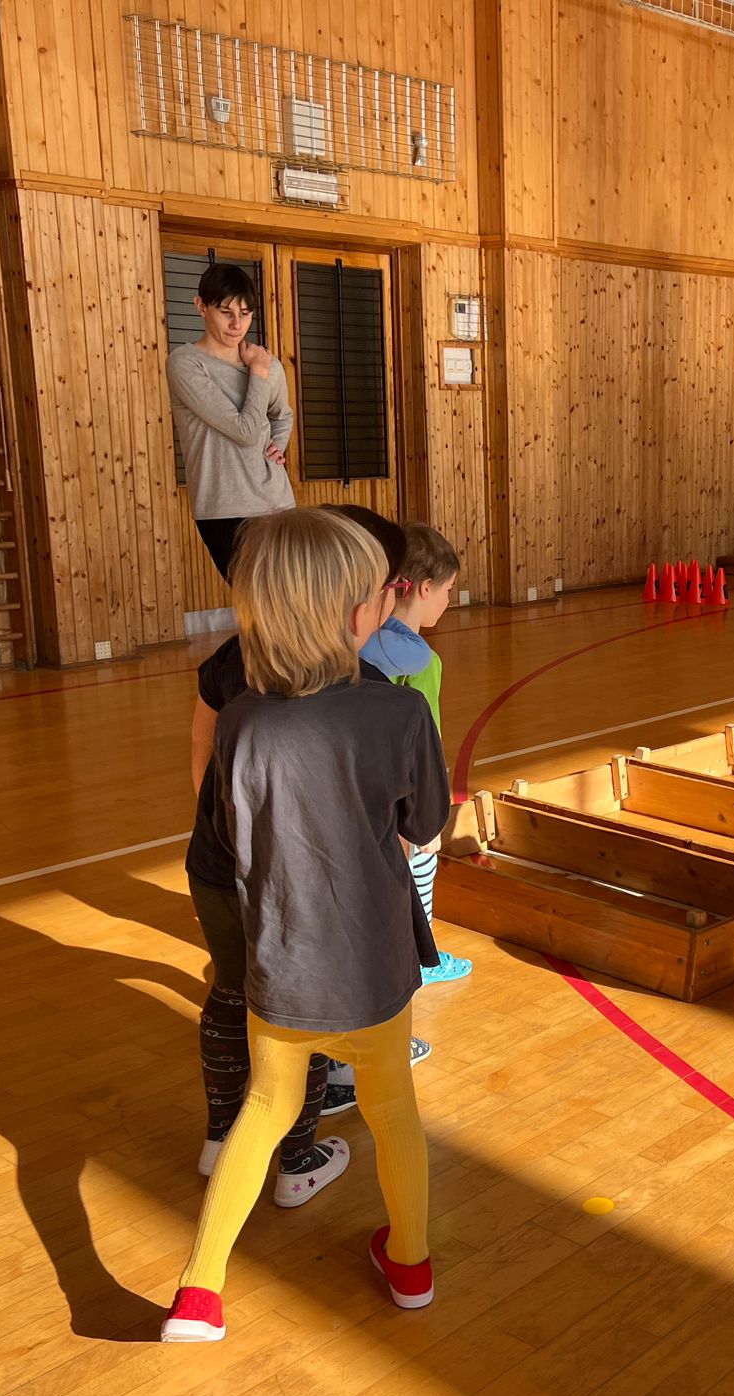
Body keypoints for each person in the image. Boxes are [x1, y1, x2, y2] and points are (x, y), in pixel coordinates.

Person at [163, 507, 450, 1343]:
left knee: (263, 1107)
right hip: (374, 965)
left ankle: (198, 1294)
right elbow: (426, 823)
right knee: (393, 1110)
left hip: (281, 962)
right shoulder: (400, 712)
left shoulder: (244, 719)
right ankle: (410, 1265)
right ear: (361, 612)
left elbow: (226, 836)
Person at [361, 522, 473, 987]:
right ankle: (421, 959)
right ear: (425, 588)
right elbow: (424, 742)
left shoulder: (360, 638)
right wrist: (429, 814)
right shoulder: (423, 661)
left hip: (358, 780)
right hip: (398, 790)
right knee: (421, 860)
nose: (449, 599)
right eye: (448, 589)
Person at [167, 263, 296, 580]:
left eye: (245, 313)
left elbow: (282, 415)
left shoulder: (269, 365)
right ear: (201, 306)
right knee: (253, 597)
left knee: (291, 597)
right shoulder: (185, 364)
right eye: (226, 312)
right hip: (223, 506)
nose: (237, 324)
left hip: (277, 500)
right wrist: (258, 372)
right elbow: (245, 432)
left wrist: (278, 446)